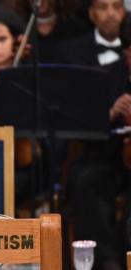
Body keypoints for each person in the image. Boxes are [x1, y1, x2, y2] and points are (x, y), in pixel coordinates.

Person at [57, 0, 129, 269]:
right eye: (103, 7)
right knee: (87, 181)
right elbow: (70, 113)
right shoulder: (71, 52)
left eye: (117, 7)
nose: (111, 14)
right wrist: (110, 113)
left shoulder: (128, 47)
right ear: (91, 14)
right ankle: (107, 262)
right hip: (99, 149)